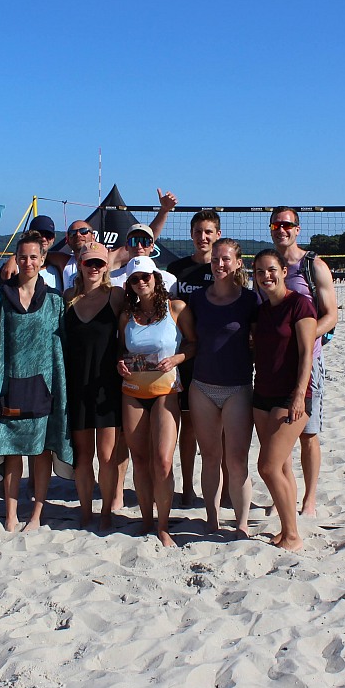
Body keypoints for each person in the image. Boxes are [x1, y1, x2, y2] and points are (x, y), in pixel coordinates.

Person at [0, 232, 73, 532]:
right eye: (22, 257)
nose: (28, 262)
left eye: (34, 257)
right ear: (16, 258)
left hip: (43, 385)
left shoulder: (54, 300)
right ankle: (10, 514)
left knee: (41, 451)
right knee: (11, 450)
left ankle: (36, 514)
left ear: (42, 259)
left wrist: (61, 388)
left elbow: (60, 348)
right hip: (9, 384)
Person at [117, 256, 195, 547]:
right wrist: (119, 363)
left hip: (166, 391)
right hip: (133, 391)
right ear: (129, 284)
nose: (141, 282)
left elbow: (193, 343)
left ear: (156, 278)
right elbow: (120, 350)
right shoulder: (127, 315)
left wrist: (177, 358)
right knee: (140, 460)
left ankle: (163, 526)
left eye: (145, 276)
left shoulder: (176, 308)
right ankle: (146, 521)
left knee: (162, 461)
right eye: (135, 279)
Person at [268, 206, 337, 517]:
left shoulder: (313, 266)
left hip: (309, 360)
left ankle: (309, 500)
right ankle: (284, 494)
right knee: (278, 433)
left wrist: (304, 339)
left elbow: (331, 315)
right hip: (275, 362)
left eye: (287, 225)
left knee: (308, 433)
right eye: (276, 225)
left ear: (297, 229)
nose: (281, 229)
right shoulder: (268, 267)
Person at [187, 238, 257, 535]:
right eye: (215, 259)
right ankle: (212, 519)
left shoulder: (250, 300)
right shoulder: (198, 299)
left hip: (237, 387)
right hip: (202, 385)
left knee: (237, 460)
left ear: (238, 263)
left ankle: (241, 524)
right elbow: (187, 340)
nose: (219, 264)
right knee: (210, 457)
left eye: (226, 259)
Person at [251, 249, 317, 551]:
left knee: (267, 466)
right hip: (262, 394)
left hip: (291, 396)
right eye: (260, 271)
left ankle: (292, 535)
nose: (266, 276)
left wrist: (299, 395)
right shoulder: (262, 310)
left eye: (271, 270)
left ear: (283, 272)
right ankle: (287, 529)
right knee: (281, 468)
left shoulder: (300, 304)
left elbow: (306, 355)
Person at [62, 242, 128, 530]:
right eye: (89, 262)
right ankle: (86, 512)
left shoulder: (116, 295)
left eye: (99, 263)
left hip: (107, 385)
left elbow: (136, 327)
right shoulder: (68, 297)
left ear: (106, 266)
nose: (94, 268)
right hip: (77, 384)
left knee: (107, 456)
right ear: (80, 264)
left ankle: (106, 513)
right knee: (83, 455)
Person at [0, 189, 178, 288]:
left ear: (93, 235)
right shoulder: (63, 261)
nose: (79, 235)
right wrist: (13, 258)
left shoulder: (108, 257)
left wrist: (164, 211)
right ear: (67, 240)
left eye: (84, 231)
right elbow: (35, 254)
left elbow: (143, 240)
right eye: (73, 233)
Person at [166, 209, 222, 508]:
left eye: (208, 232)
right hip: (185, 354)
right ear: (191, 234)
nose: (203, 237)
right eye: (198, 231)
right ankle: (187, 488)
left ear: (218, 235)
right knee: (187, 427)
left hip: (216, 355)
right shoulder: (177, 268)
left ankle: (224, 491)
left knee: (220, 429)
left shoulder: (223, 267)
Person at [110, 224, 178, 292]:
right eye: (134, 241)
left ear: (152, 247)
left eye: (145, 242)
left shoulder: (169, 279)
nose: (139, 246)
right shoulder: (111, 278)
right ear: (126, 246)